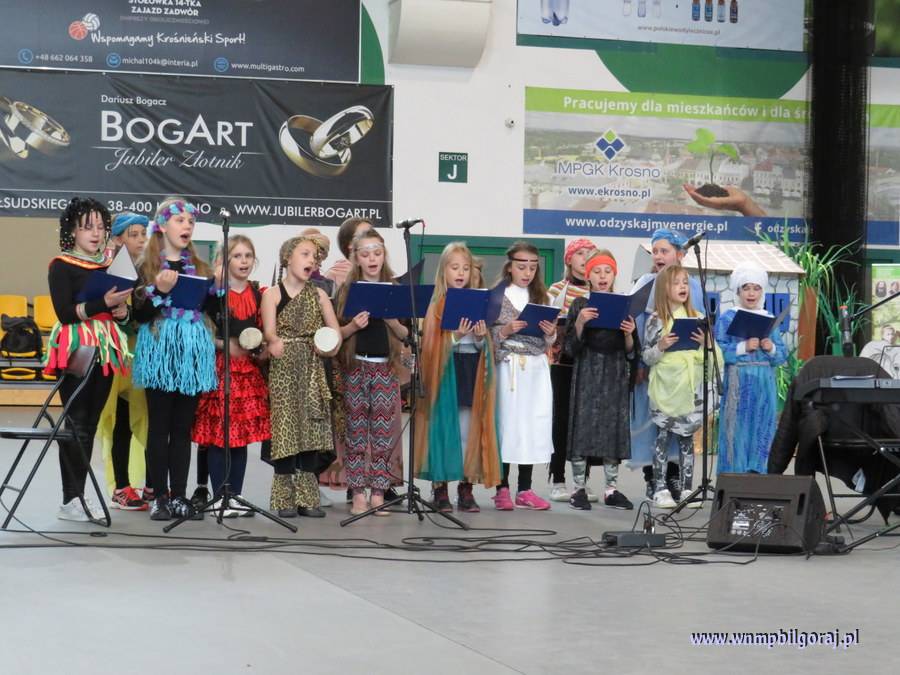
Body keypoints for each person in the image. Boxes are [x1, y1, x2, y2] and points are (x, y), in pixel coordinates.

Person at [44, 197, 132, 521]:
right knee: (76, 423)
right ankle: (71, 499)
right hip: (76, 348)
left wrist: (122, 311)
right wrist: (102, 303)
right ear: (72, 231)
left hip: (105, 347)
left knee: (90, 425)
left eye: (100, 227)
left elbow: (122, 313)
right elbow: (65, 313)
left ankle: (77, 497)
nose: (95, 233)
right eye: (86, 227)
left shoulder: (111, 265)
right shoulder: (61, 265)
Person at [132, 197, 219, 521]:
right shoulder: (146, 266)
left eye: (191, 222)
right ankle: (160, 496)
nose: (187, 226)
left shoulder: (201, 267)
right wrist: (158, 290)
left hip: (191, 355)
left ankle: (180, 495)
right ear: (162, 225)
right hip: (159, 351)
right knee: (159, 427)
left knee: (182, 429)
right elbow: (139, 316)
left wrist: (218, 291)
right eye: (180, 220)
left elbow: (213, 312)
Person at [413, 242, 501, 512]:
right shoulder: (437, 304)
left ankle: (466, 487)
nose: (461, 273)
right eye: (454, 267)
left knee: (467, 430)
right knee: (444, 430)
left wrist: (479, 337)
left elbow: (484, 344)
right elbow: (430, 347)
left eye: (465, 267)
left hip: (471, 369)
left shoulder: (478, 301)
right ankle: (440, 488)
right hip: (446, 373)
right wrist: (455, 336)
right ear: (444, 271)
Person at [262, 236, 341, 518]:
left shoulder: (319, 295)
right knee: (285, 429)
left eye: (315, 257)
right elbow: (269, 332)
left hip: (312, 367)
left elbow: (335, 333)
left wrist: (329, 346)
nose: (312, 260)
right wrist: (273, 341)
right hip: (284, 368)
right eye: (305, 254)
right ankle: (284, 498)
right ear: (287, 258)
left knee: (311, 430)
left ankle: (308, 498)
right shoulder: (272, 294)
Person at [192, 235, 271, 517]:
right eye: (237, 256)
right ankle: (219, 496)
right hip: (220, 369)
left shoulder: (257, 293)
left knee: (241, 438)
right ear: (224, 261)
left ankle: (235, 495)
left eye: (248, 256)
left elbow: (260, 331)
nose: (243, 261)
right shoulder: (213, 293)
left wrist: (260, 347)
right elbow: (200, 329)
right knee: (220, 435)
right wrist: (224, 345)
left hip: (246, 372)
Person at [335, 229, 408, 515]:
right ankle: (357, 493)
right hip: (356, 366)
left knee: (382, 434)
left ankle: (378, 492)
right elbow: (336, 334)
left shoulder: (394, 288)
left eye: (377, 253)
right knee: (355, 433)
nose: (372, 259)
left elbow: (405, 334)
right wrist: (353, 326)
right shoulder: (347, 290)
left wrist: (391, 321)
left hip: (384, 367)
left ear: (383, 255)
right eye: (365, 254)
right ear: (356, 258)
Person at [630, 228, 704, 500]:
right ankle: (653, 479)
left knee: (680, 423)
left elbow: (698, 321)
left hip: (683, 371)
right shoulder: (645, 282)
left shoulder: (692, 285)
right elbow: (636, 324)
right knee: (654, 424)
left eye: (664, 251)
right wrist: (639, 363)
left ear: (680, 254)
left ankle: (675, 477)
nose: (658, 256)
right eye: (655, 251)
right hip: (654, 366)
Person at [642, 265, 721, 509]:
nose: (682, 287)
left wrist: (707, 342)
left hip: (691, 387)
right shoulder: (656, 319)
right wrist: (661, 346)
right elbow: (647, 357)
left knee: (687, 439)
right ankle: (660, 488)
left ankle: (688, 488)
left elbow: (712, 354)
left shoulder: (697, 316)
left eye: (685, 282)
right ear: (664, 288)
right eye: (676, 283)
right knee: (663, 437)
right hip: (666, 388)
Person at [564, 250, 636, 510]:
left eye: (608, 271)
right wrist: (580, 323)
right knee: (583, 428)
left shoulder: (624, 304)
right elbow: (569, 348)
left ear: (614, 274)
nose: (602, 276)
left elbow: (631, 352)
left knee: (612, 429)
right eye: (596, 271)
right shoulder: (580, 305)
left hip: (614, 373)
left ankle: (611, 489)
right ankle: (578, 488)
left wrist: (629, 333)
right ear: (588, 275)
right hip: (587, 372)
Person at [490, 241, 555, 511]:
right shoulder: (497, 295)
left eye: (532, 267)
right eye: (521, 266)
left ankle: (525, 489)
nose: (527, 272)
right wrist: (504, 331)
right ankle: (502, 487)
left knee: (531, 425)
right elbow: (488, 334)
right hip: (510, 366)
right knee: (507, 425)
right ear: (509, 266)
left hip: (535, 367)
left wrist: (550, 332)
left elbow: (550, 340)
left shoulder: (543, 297)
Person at [97, 212, 149, 511]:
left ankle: (144, 484)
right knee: (117, 421)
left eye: (143, 233)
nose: (141, 239)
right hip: (115, 352)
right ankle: (120, 486)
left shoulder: (146, 268)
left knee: (138, 418)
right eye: (133, 234)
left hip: (137, 351)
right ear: (117, 239)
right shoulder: (111, 269)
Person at [715, 262, 786, 474]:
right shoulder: (728, 317)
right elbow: (718, 351)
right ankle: (733, 477)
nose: (751, 293)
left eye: (756, 288)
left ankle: (760, 477)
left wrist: (770, 347)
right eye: (746, 288)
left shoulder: (769, 319)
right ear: (738, 291)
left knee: (762, 429)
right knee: (737, 429)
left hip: (764, 384)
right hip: (738, 383)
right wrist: (743, 347)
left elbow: (781, 356)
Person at [547, 238, 597, 503]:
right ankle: (557, 479)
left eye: (590, 253)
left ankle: (582, 481)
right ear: (568, 259)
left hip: (588, 364)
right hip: (562, 363)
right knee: (561, 420)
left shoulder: (598, 290)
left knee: (585, 423)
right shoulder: (556, 289)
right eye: (580, 253)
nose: (585, 258)